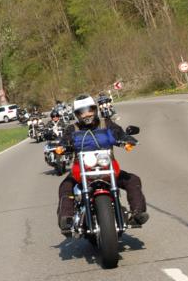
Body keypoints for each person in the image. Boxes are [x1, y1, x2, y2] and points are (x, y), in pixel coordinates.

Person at [56, 94, 148, 234]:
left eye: (90, 110)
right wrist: (62, 147)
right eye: (82, 112)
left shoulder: (107, 124)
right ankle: (67, 219)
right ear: (77, 115)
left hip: (107, 167)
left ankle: (137, 214)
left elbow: (119, 134)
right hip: (81, 170)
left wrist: (128, 140)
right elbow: (64, 141)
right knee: (65, 187)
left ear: (95, 110)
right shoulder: (72, 129)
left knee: (133, 180)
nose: (87, 114)